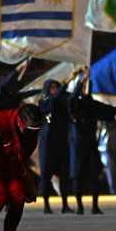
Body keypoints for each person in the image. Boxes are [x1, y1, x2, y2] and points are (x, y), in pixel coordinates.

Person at [68, 68, 116, 214]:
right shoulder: (74, 104)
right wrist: (82, 80)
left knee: (94, 174)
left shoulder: (92, 104)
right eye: (85, 86)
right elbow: (72, 98)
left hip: (91, 143)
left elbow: (109, 111)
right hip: (78, 145)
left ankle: (95, 206)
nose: (87, 89)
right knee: (77, 176)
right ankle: (79, 206)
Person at [39, 75, 76, 214]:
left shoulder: (63, 103)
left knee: (64, 175)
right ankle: (46, 205)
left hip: (61, 142)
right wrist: (68, 81)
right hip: (48, 144)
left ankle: (65, 204)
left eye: (57, 87)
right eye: (52, 88)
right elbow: (52, 100)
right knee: (46, 176)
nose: (55, 90)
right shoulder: (44, 102)